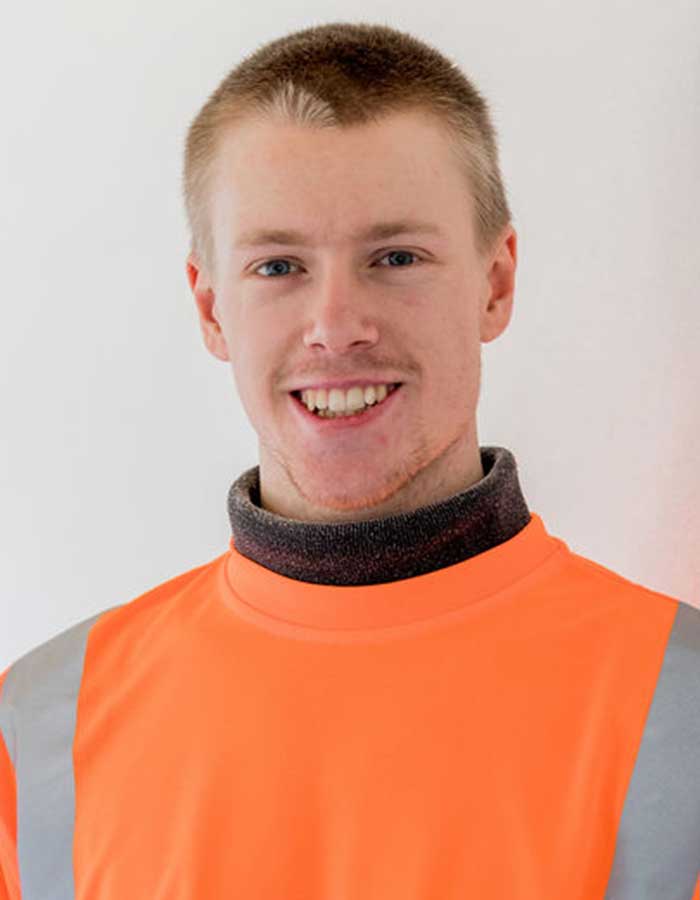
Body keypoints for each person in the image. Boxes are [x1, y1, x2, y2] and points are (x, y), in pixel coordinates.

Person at [0, 21, 698, 900]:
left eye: (396, 257)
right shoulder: (35, 734)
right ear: (211, 310)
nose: (335, 327)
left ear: (495, 283)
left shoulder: (683, 708)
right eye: (279, 266)